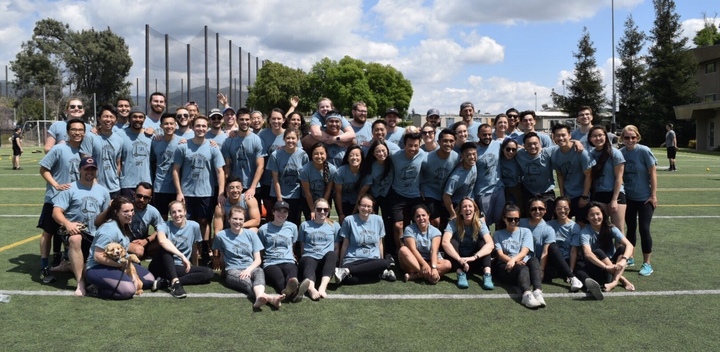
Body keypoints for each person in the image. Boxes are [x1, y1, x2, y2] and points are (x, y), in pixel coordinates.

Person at [52, 156, 111, 296]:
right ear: (80, 170)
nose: (89, 172)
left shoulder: (103, 191)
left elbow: (105, 216)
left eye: (93, 169)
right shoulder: (69, 188)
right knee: (75, 239)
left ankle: (68, 265)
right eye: (86, 169)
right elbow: (56, 212)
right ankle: (80, 283)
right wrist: (67, 224)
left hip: (94, 233)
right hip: (73, 231)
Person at [37, 119, 86, 284]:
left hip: (74, 201)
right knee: (48, 232)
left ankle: (67, 262)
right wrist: (56, 185)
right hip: (55, 199)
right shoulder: (59, 148)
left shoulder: (84, 151)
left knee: (71, 233)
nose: (77, 132)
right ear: (68, 131)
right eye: (74, 129)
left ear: (84, 132)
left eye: (80, 130)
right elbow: (43, 169)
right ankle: (44, 266)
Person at [173, 115, 226, 266]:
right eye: (198, 126)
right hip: (187, 192)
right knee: (187, 222)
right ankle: (188, 250)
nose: (201, 129)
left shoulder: (213, 147)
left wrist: (221, 192)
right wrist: (179, 191)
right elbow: (175, 170)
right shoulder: (183, 146)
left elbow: (220, 171)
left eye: (204, 126)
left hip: (206, 192)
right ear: (193, 127)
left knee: (204, 222)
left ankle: (204, 249)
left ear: (207, 128)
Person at [213, 206, 284, 309]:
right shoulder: (221, 236)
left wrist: (248, 269)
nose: (238, 222)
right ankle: (270, 298)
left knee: (259, 272)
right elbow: (222, 255)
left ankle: (261, 298)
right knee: (247, 282)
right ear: (229, 219)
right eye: (235, 219)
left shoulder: (251, 234)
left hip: (251, 267)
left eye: (241, 219)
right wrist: (223, 272)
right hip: (233, 270)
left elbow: (258, 259)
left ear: (244, 220)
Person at [85, 196, 155, 299]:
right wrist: (120, 265)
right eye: (126, 211)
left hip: (121, 263)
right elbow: (97, 256)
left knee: (149, 280)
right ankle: (95, 288)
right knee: (128, 291)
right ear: (116, 212)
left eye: (132, 210)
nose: (130, 214)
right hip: (97, 267)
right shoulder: (109, 230)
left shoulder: (124, 224)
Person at [149, 201, 214, 298]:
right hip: (161, 265)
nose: (177, 215)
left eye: (180, 211)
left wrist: (194, 266)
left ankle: (166, 282)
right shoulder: (164, 225)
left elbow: (194, 247)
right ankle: (175, 283)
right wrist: (182, 255)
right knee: (166, 248)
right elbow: (162, 241)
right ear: (170, 214)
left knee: (209, 273)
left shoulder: (194, 226)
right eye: (173, 212)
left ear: (185, 212)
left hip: (180, 267)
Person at [521, 197, 584, 292]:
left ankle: (572, 277)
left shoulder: (549, 228)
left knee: (552, 248)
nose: (537, 211)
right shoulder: (521, 223)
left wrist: (541, 270)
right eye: (534, 209)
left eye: (541, 209)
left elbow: (546, 251)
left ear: (546, 210)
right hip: (528, 260)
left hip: (552, 260)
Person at [546, 197, 603, 299]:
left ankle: (589, 286)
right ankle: (570, 276)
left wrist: (571, 269)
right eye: (559, 208)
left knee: (579, 270)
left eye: (565, 208)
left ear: (569, 209)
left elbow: (573, 250)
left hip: (569, 260)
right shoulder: (548, 225)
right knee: (553, 248)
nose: (562, 211)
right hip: (554, 261)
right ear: (554, 210)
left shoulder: (574, 226)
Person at [620, 125, 657, 276]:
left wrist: (653, 195)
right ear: (622, 139)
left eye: (633, 137)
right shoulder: (620, 153)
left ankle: (647, 263)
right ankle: (630, 257)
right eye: (627, 137)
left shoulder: (643, 151)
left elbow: (653, 174)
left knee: (644, 229)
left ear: (638, 138)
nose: (630, 140)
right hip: (628, 197)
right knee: (630, 228)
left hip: (644, 198)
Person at [493, 203, 545, 308]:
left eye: (516, 219)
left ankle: (538, 291)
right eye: (510, 219)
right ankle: (526, 295)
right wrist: (514, 262)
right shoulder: (498, 234)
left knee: (534, 260)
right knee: (522, 268)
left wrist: (514, 260)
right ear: (504, 219)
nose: (513, 222)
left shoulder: (526, 232)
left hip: (519, 262)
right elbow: (500, 255)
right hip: (506, 267)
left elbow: (524, 251)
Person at [335, 194, 396, 284]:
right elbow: (345, 244)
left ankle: (348, 271)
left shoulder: (378, 220)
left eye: (369, 206)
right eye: (363, 205)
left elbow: (380, 243)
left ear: (372, 208)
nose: (366, 209)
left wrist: (381, 261)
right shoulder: (349, 220)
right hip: (353, 259)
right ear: (358, 206)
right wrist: (340, 264)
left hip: (372, 259)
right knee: (347, 280)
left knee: (385, 263)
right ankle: (377, 275)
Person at [576, 202, 635, 292]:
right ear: (587, 218)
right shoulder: (585, 232)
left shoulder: (610, 228)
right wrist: (606, 267)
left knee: (622, 249)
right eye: (592, 215)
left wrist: (623, 260)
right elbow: (588, 254)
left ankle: (614, 282)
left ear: (603, 214)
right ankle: (621, 279)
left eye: (598, 214)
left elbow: (629, 245)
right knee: (597, 252)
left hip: (613, 266)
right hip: (598, 266)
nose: (595, 217)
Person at [257, 201, 309, 302]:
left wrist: (292, 256)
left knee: (292, 278)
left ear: (288, 214)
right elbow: (261, 249)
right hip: (270, 262)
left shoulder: (293, 227)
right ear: (273, 212)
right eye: (279, 211)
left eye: (285, 211)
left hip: (288, 260)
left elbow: (292, 245)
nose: (282, 214)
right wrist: (261, 263)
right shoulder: (263, 229)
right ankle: (295, 293)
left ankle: (291, 291)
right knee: (279, 278)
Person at [441, 198, 494, 289]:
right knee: (452, 242)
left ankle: (487, 274)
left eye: (470, 206)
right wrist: (459, 259)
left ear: (475, 210)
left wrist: (473, 258)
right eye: (464, 207)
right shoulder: (453, 222)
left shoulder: (480, 223)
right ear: (461, 211)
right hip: (459, 260)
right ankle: (460, 273)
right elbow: (445, 242)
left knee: (484, 243)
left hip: (474, 258)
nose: (467, 209)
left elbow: (490, 244)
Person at [388, 132, 427, 256]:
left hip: (416, 196)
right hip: (397, 194)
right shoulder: (395, 156)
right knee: (398, 226)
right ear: (404, 145)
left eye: (416, 146)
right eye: (410, 145)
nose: (413, 149)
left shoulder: (424, 155)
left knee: (420, 223)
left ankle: (421, 250)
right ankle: (401, 252)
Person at [550, 123, 594, 223]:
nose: (560, 138)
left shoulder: (581, 152)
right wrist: (562, 196)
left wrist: (584, 196)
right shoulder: (555, 155)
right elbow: (560, 175)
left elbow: (589, 175)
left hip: (581, 195)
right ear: (553, 137)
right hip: (568, 195)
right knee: (563, 224)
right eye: (557, 135)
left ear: (569, 136)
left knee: (581, 224)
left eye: (563, 135)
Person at [298, 198, 340, 300]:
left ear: (329, 210)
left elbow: (336, 248)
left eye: (325, 209)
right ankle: (311, 288)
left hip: (325, 262)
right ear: (314, 210)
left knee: (332, 254)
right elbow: (302, 247)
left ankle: (322, 287)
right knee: (308, 258)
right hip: (309, 259)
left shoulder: (335, 225)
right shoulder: (305, 225)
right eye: (319, 209)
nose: (322, 212)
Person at [398, 204, 451, 284]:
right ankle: (426, 275)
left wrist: (433, 267)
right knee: (403, 250)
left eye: (423, 215)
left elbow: (434, 251)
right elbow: (413, 249)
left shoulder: (435, 231)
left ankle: (416, 276)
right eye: (418, 216)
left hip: (430, 260)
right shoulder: (409, 229)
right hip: (413, 262)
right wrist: (424, 264)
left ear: (428, 216)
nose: (421, 218)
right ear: (414, 218)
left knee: (447, 264)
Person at [588, 125, 626, 233]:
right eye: (594, 136)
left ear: (605, 136)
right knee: (601, 229)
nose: (598, 138)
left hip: (615, 194)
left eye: (600, 135)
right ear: (590, 139)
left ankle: (621, 250)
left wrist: (614, 199)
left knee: (618, 230)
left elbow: (619, 178)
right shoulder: (590, 154)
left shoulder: (615, 153)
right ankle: (605, 250)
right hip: (598, 194)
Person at [221, 107, 265, 200]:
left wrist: (252, 187)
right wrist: (227, 186)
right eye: (241, 119)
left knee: (254, 214)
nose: (244, 122)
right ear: (236, 120)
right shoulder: (229, 141)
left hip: (253, 186)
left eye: (247, 119)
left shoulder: (257, 140)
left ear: (250, 120)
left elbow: (260, 166)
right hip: (235, 186)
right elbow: (227, 167)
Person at [358, 140, 394, 250]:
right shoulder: (370, 166)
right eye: (378, 151)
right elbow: (364, 188)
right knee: (371, 221)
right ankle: (369, 245)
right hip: (373, 196)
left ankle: (389, 248)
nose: (381, 154)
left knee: (388, 222)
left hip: (387, 196)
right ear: (373, 153)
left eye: (383, 151)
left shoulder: (392, 162)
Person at [268, 128, 308, 226]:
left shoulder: (303, 155)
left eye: (293, 138)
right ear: (284, 139)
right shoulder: (275, 155)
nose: (290, 140)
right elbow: (275, 179)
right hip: (279, 194)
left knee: (294, 222)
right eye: (288, 138)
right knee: (278, 221)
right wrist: (279, 198)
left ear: (298, 139)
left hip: (295, 195)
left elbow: (304, 178)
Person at [80, 105, 123, 198]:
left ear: (116, 120)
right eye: (105, 116)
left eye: (111, 117)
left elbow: (118, 163)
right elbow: (86, 162)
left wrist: (115, 177)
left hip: (114, 188)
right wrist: (94, 181)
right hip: (95, 187)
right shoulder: (90, 137)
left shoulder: (119, 139)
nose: (108, 119)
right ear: (99, 119)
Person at [421, 129, 459, 229]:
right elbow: (419, 174)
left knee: (447, 222)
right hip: (430, 192)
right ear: (438, 142)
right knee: (436, 221)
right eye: (445, 141)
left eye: (451, 141)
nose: (448, 144)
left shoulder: (457, 158)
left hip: (446, 194)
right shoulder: (427, 159)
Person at [515, 132, 557, 220]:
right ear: (524, 146)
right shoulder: (520, 154)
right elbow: (504, 145)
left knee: (548, 219)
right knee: (529, 219)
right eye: (529, 144)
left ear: (540, 144)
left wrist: (576, 142)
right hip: (528, 191)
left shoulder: (547, 152)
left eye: (535, 144)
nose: (533, 147)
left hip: (546, 191)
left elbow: (564, 144)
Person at [150, 113, 181, 219]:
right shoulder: (155, 141)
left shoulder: (181, 142)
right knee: (161, 218)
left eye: (171, 124)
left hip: (176, 187)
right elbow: (152, 162)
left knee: (178, 217)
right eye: (166, 124)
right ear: (161, 126)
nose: (169, 126)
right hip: (160, 187)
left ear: (176, 125)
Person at [473, 123, 505, 226]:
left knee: (501, 220)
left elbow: (513, 145)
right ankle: (486, 241)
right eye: (484, 135)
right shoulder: (474, 149)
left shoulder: (498, 144)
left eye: (489, 134)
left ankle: (498, 241)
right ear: (478, 135)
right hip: (482, 192)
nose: (487, 137)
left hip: (498, 188)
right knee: (485, 223)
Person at [258, 108, 286, 219]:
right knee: (270, 213)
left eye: (279, 118)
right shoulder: (262, 134)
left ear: (284, 120)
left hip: (284, 182)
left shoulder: (289, 135)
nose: (276, 121)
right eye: (273, 118)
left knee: (285, 212)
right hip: (266, 180)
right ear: (269, 120)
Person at [118, 108, 153, 198]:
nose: (138, 119)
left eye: (141, 117)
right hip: (127, 184)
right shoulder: (120, 135)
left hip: (146, 184)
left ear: (144, 119)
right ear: (129, 119)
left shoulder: (151, 136)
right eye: (134, 117)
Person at [300, 142, 337, 220]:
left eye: (321, 153)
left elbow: (328, 191)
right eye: (316, 154)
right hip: (308, 201)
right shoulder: (305, 170)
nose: (319, 156)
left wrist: (322, 207)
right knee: (311, 222)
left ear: (326, 154)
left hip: (325, 199)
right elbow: (307, 192)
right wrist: (313, 210)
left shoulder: (332, 169)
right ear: (312, 155)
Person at [443, 142, 477, 219]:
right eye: (468, 155)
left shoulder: (473, 164)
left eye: (474, 154)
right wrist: (453, 213)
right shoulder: (455, 178)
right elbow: (446, 196)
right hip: (458, 206)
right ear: (462, 156)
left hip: (470, 202)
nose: (472, 157)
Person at [334, 144, 364, 224]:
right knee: (344, 224)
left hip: (358, 202)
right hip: (343, 201)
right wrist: (341, 214)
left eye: (357, 155)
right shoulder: (340, 172)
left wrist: (354, 213)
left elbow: (360, 195)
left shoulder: (365, 172)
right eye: (351, 155)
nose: (354, 158)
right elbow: (338, 194)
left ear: (361, 157)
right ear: (347, 158)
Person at [498, 138, 523, 218]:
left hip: (515, 189)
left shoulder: (518, 158)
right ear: (503, 149)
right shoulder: (498, 157)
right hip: (501, 190)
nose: (511, 152)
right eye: (508, 149)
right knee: (501, 215)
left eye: (513, 150)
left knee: (515, 213)